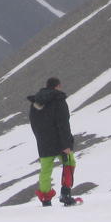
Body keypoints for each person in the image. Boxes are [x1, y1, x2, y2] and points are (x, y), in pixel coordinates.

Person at [28, 77, 78, 206]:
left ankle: (45, 197)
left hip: (43, 142)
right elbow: (63, 123)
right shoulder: (59, 100)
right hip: (59, 141)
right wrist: (66, 144)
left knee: (45, 170)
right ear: (58, 86)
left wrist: (40, 137)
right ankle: (65, 193)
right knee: (69, 163)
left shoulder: (36, 102)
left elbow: (34, 124)